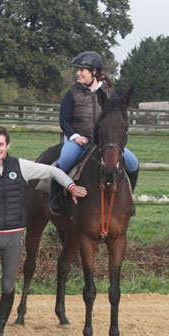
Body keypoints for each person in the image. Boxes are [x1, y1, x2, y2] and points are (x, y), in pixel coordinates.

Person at [0, 125, 87, 336]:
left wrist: (70, 186)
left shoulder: (21, 167)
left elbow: (53, 172)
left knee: (8, 285)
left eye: (1, 144)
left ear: (8, 145)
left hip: (13, 237)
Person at [48, 51, 139, 216]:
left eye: (82, 70)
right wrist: (76, 137)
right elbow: (64, 121)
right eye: (77, 70)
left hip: (105, 141)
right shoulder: (72, 93)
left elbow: (116, 117)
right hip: (79, 141)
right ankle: (56, 198)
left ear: (94, 72)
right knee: (64, 161)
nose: (78, 73)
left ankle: (128, 200)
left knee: (133, 163)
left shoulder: (110, 93)